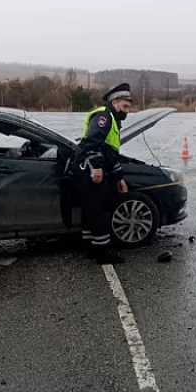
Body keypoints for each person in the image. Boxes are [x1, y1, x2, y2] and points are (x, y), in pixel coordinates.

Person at [75, 83, 132, 264]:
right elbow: (91, 142)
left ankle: (90, 247)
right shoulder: (104, 116)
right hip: (91, 170)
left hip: (90, 170)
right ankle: (102, 253)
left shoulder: (112, 119)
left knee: (91, 210)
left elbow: (109, 153)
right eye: (125, 106)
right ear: (115, 102)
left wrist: (118, 177)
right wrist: (97, 166)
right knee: (100, 211)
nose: (127, 111)